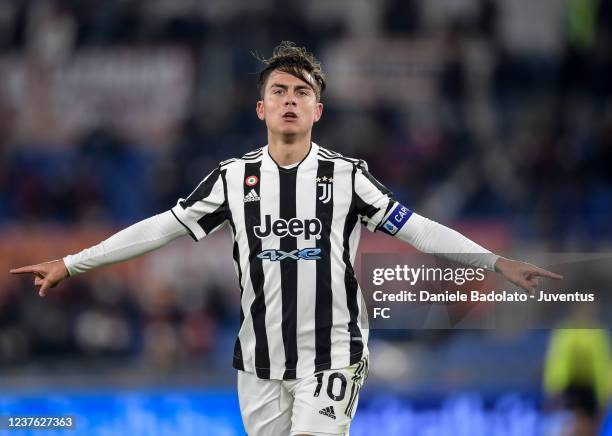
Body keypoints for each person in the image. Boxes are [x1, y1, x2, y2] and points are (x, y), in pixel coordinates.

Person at [10, 41, 562, 436]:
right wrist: (74, 262)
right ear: (262, 108)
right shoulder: (230, 179)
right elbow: (161, 227)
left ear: (318, 110)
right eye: (279, 90)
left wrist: (493, 261)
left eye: (302, 91)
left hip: (333, 358)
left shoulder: (347, 177)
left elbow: (415, 228)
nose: (291, 99)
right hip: (258, 364)